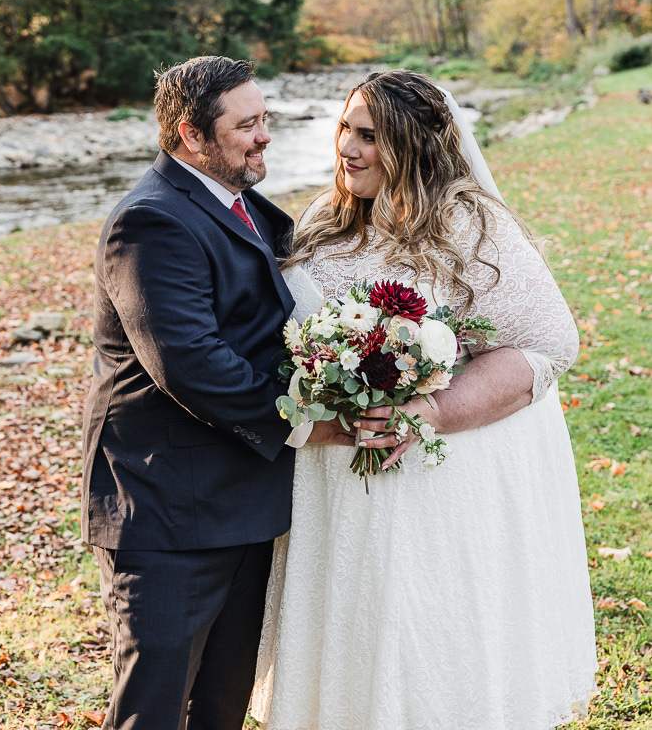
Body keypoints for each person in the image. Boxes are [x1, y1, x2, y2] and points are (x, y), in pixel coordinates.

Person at [253, 70, 597, 730]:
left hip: (430, 485)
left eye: (369, 136)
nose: (347, 149)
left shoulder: (471, 226)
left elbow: (549, 342)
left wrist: (428, 410)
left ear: (413, 145)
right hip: (330, 484)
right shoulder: (323, 221)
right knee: (349, 635)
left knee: (417, 632)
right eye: (344, 129)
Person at [81, 55, 353, 730]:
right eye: (247, 125)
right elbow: (192, 363)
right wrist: (308, 426)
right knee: (154, 707)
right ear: (191, 136)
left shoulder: (246, 205)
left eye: (265, 120)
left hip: (246, 504)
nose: (264, 136)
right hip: (168, 511)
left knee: (221, 706)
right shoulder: (150, 222)